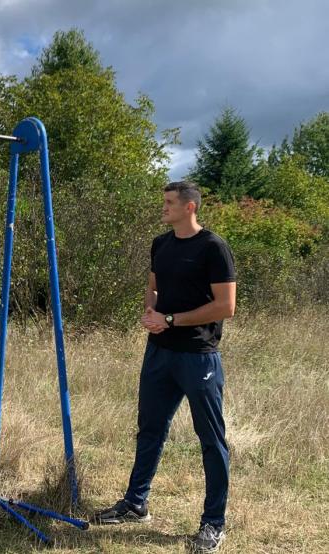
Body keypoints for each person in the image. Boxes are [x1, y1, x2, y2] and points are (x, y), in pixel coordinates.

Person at [93, 181, 236, 553]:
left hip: (198, 355)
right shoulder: (161, 244)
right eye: (164, 202)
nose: (164, 207)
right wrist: (151, 312)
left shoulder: (213, 247)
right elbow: (153, 286)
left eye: (170, 202)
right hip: (159, 352)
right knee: (150, 429)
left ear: (190, 207)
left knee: (211, 439)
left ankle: (214, 523)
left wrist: (170, 320)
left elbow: (226, 306)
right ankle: (135, 503)